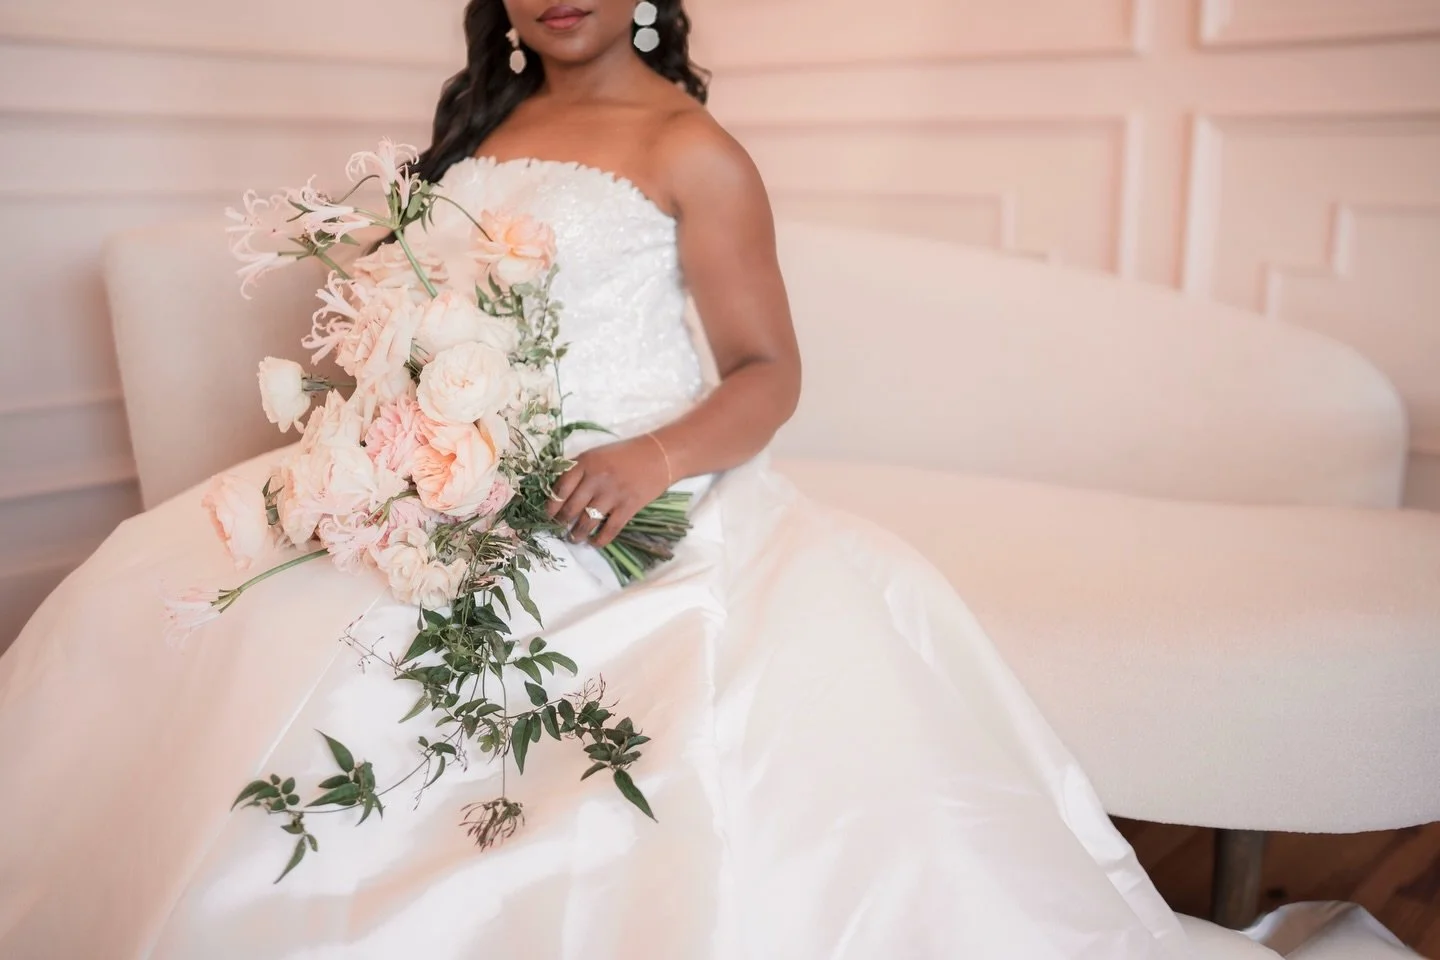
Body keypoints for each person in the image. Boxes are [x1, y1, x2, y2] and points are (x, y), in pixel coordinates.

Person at [0, 2, 1193, 957]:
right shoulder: (480, 127)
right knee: (201, 603)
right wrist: (391, 422)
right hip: (439, 475)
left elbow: (770, 372)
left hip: (608, 493)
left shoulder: (692, 149)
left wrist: (654, 456)